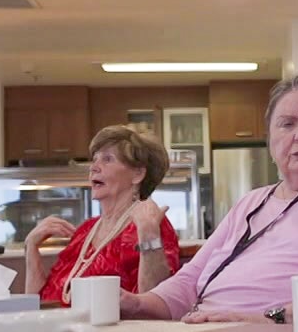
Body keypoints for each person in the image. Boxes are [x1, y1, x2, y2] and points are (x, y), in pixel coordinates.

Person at [120, 75, 298, 325]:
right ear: (270, 141)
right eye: (287, 124)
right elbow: (190, 280)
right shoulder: (251, 202)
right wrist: (136, 303)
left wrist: (269, 319)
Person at [23, 125, 180, 303]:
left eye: (107, 159)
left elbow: (154, 302)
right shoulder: (86, 231)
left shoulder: (151, 224)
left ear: (137, 174)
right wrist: (31, 247)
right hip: (65, 327)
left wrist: (149, 233)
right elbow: (39, 304)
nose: (94, 168)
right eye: (94, 159)